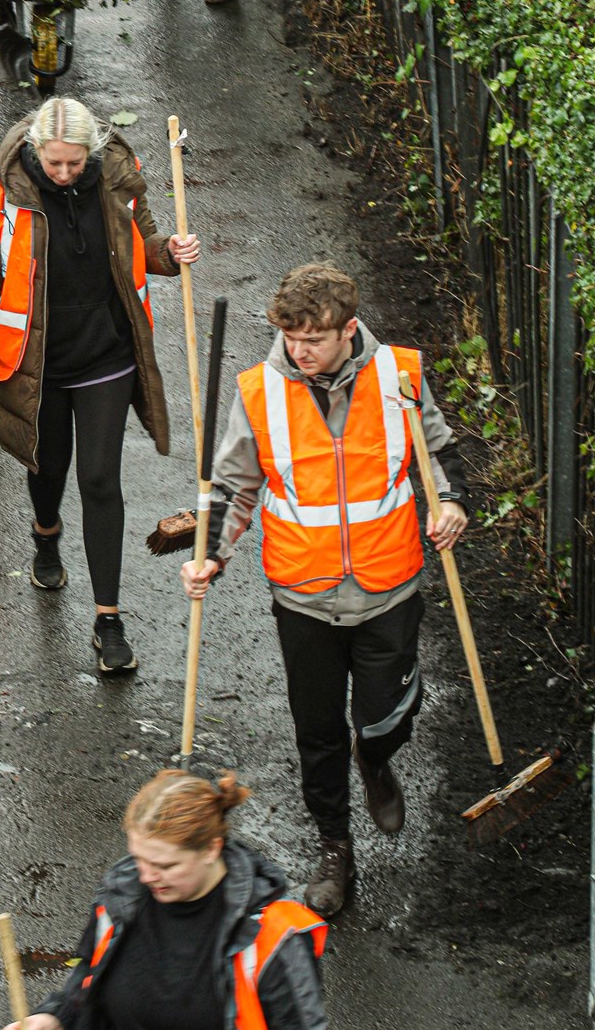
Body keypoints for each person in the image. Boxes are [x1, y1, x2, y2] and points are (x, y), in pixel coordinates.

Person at [181, 263, 471, 917]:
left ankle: (377, 757)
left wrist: (448, 503)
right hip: (303, 597)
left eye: (312, 340)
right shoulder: (259, 391)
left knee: (386, 718)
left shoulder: (399, 374)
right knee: (317, 733)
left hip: (389, 586)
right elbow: (234, 485)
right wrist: (210, 557)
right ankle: (335, 849)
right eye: (289, 338)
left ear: (347, 331)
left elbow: (441, 452)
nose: (298, 351)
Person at [0, 98, 198, 675]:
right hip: (40, 364)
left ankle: (108, 620)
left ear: (93, 153)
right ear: (35, 151)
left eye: (74, 164)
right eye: (54, 164)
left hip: (107, 354)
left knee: (100, 479)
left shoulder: (118, 184)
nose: (64, 174)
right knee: (48, 464)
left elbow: (144, 246)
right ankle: (46, 533)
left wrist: (168, 254)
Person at [2, 768, 346, 1030]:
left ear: (211, 849)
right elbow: (92, 975)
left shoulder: (272, 939)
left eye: (165, 865)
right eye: (139, 859)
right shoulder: (122, 896)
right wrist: (59, 1017)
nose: (146, 876)